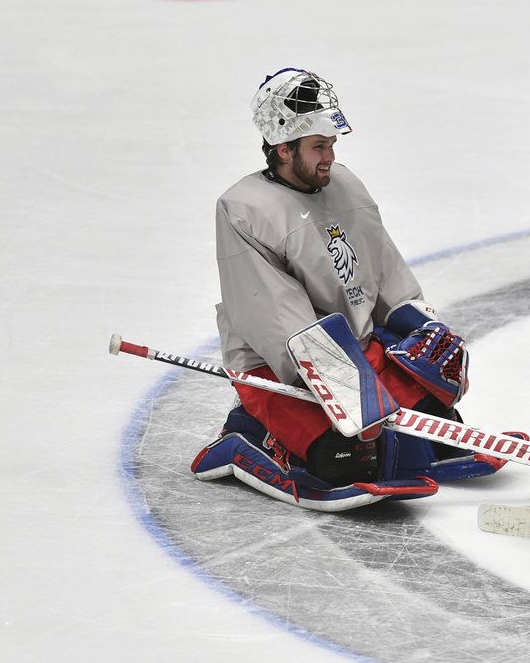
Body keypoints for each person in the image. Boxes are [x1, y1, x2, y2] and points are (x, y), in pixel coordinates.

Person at [191, 67, 506, 511]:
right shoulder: (244, 209)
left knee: (436, 424)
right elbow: (272, 315)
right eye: (319, 146)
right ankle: (248, 435)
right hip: (285, 370)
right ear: (283, 148)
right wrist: (339, 380)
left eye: (333, 145)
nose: (330, 157)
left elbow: (385, 270)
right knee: (342, 460)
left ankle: (389, 435)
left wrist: (421, 324)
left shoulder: (344, 184)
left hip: (359, 353)